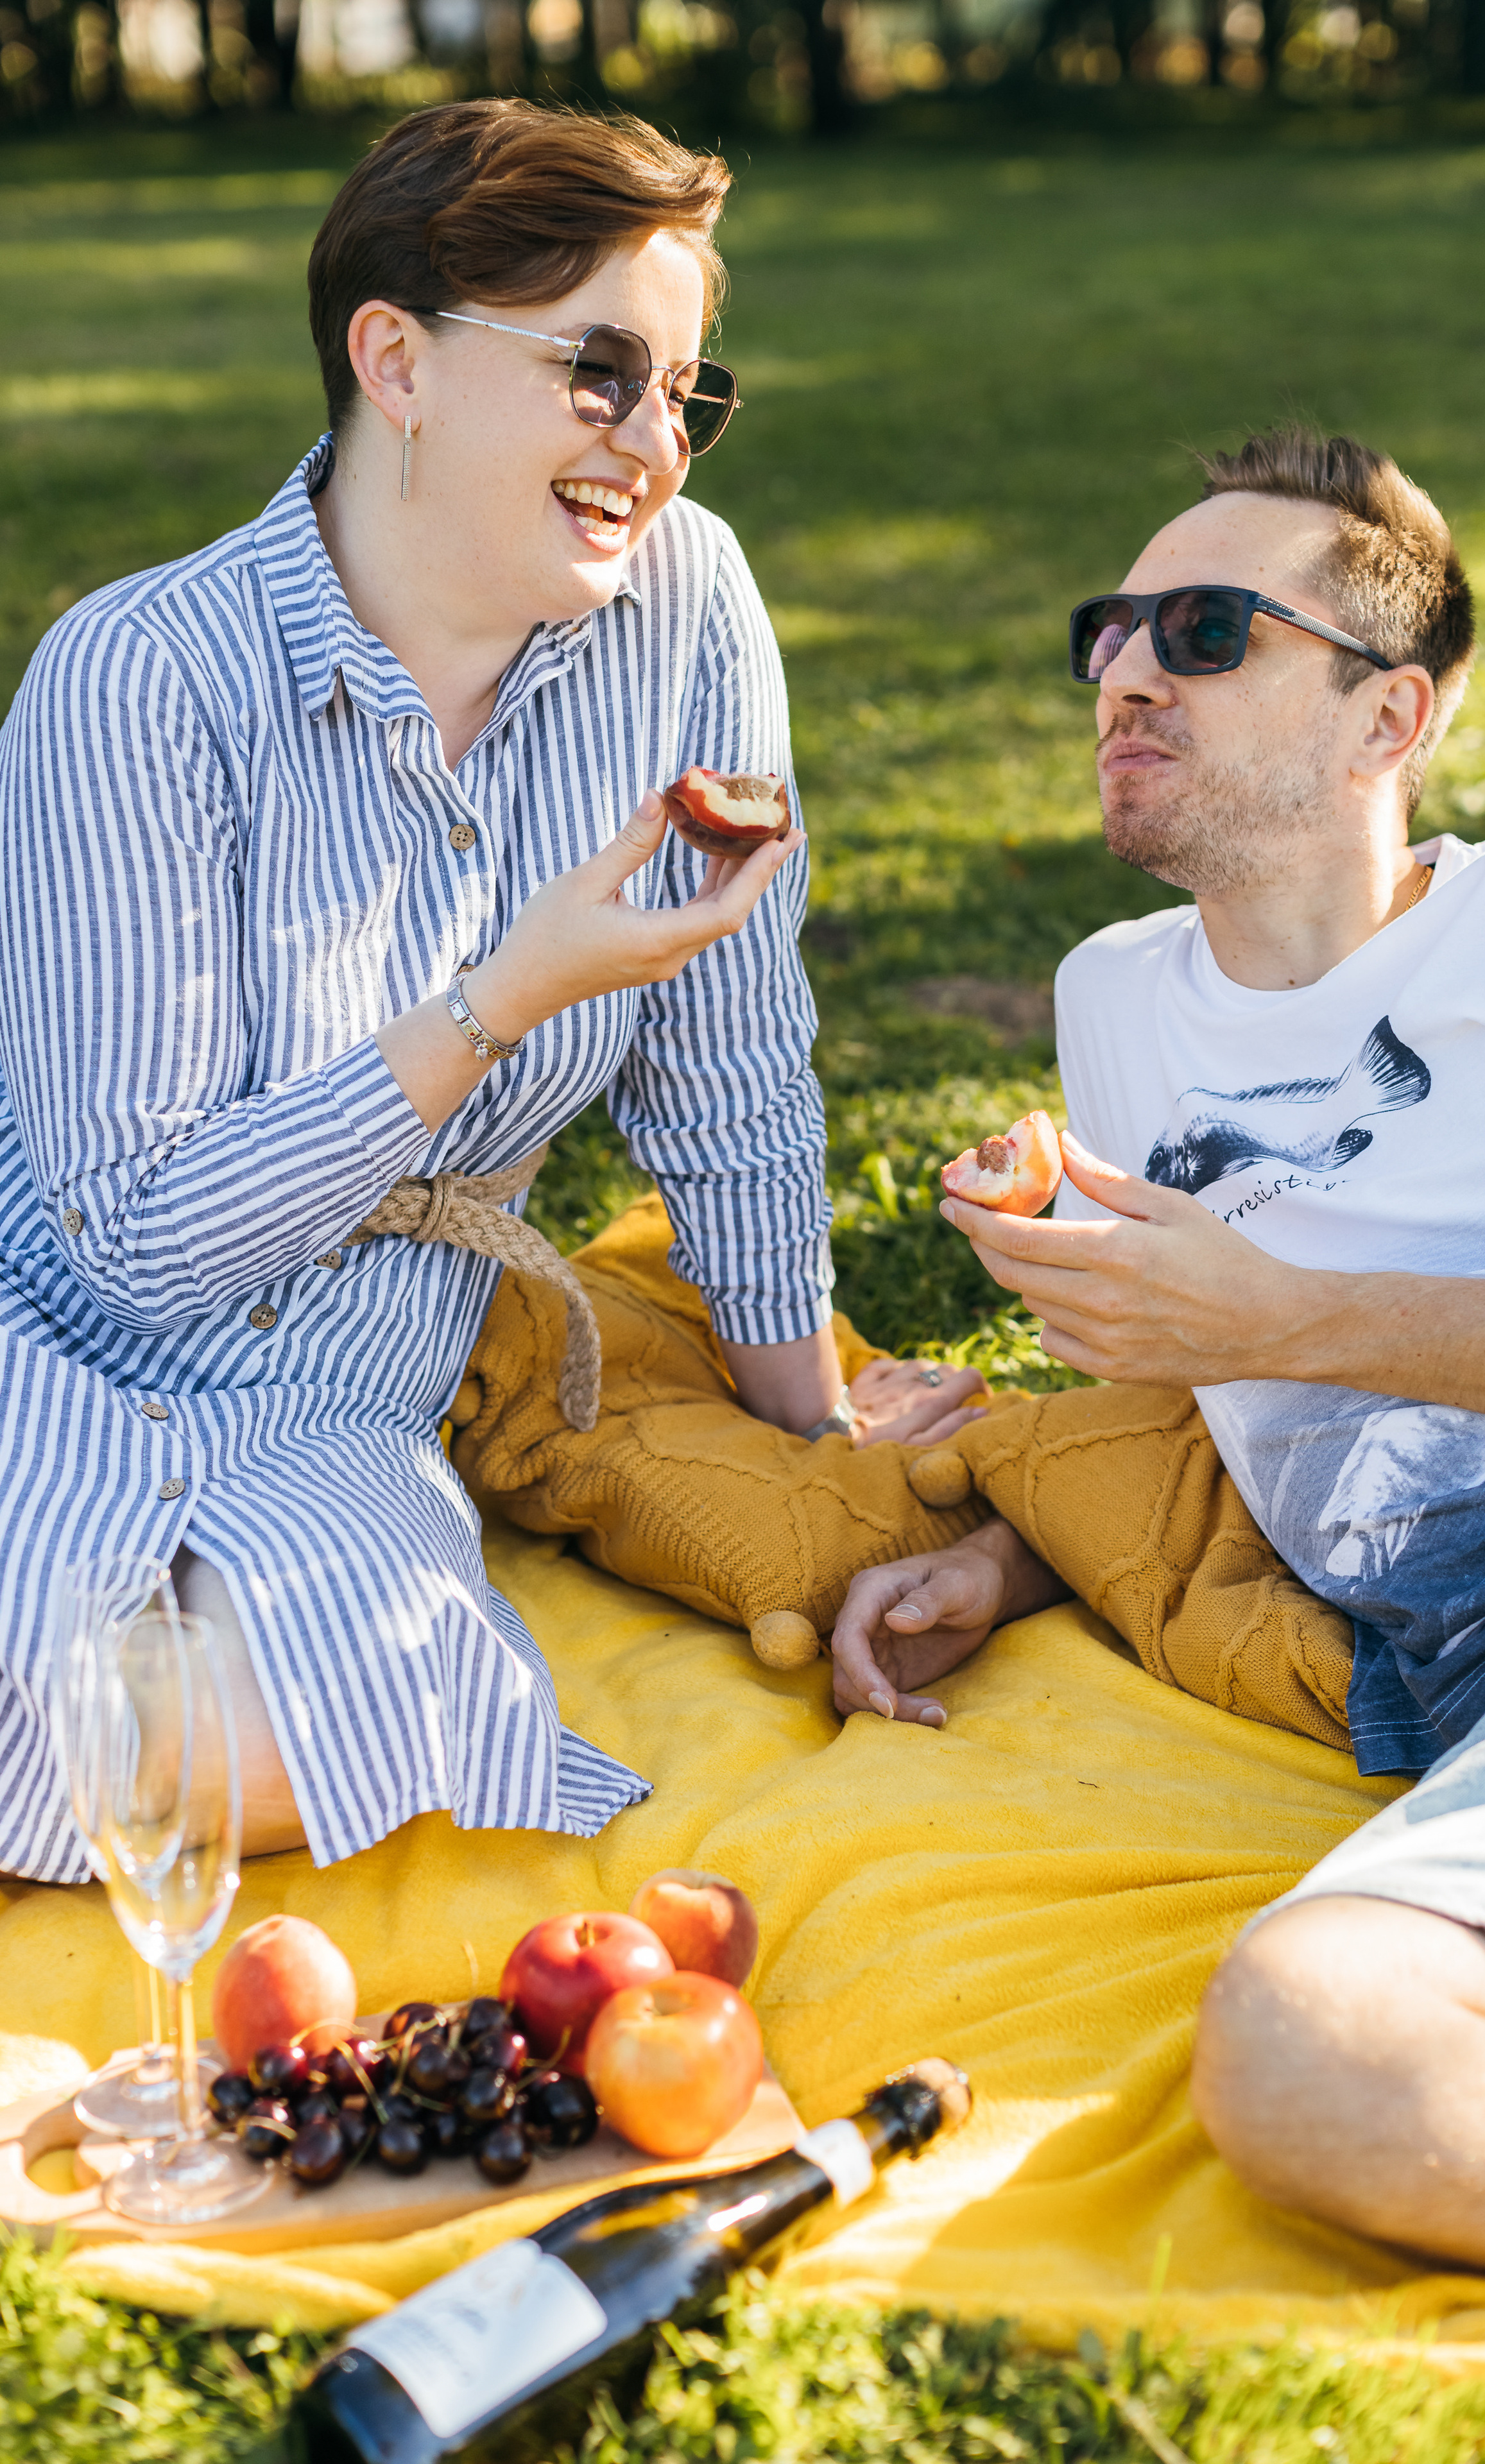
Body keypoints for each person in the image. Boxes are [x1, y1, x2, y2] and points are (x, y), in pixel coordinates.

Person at [0, 99, 979, 1884]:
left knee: (347, 1717)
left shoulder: (688, 606)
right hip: (48, 1340)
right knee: (54, 1715)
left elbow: (733, 1061)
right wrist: (498, 1002)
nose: (656, 446)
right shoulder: (137, 680)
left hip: (344, 1403)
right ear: (398, 362)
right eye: (600, 374)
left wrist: (811, 1429)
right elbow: (129, 1246)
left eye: (686, 392)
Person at [829, 425, 1485, 2289]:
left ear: (1388, 718)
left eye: (1204, 630)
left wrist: (1291, 1317)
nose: (1125, 672)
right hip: (1483, 1683)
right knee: (1334, 2060)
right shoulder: (1117, 1000)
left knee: (1326, 2052)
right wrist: (1015, 1557)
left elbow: (1268, 1331)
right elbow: (1210, 1390)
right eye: (1108, 631)